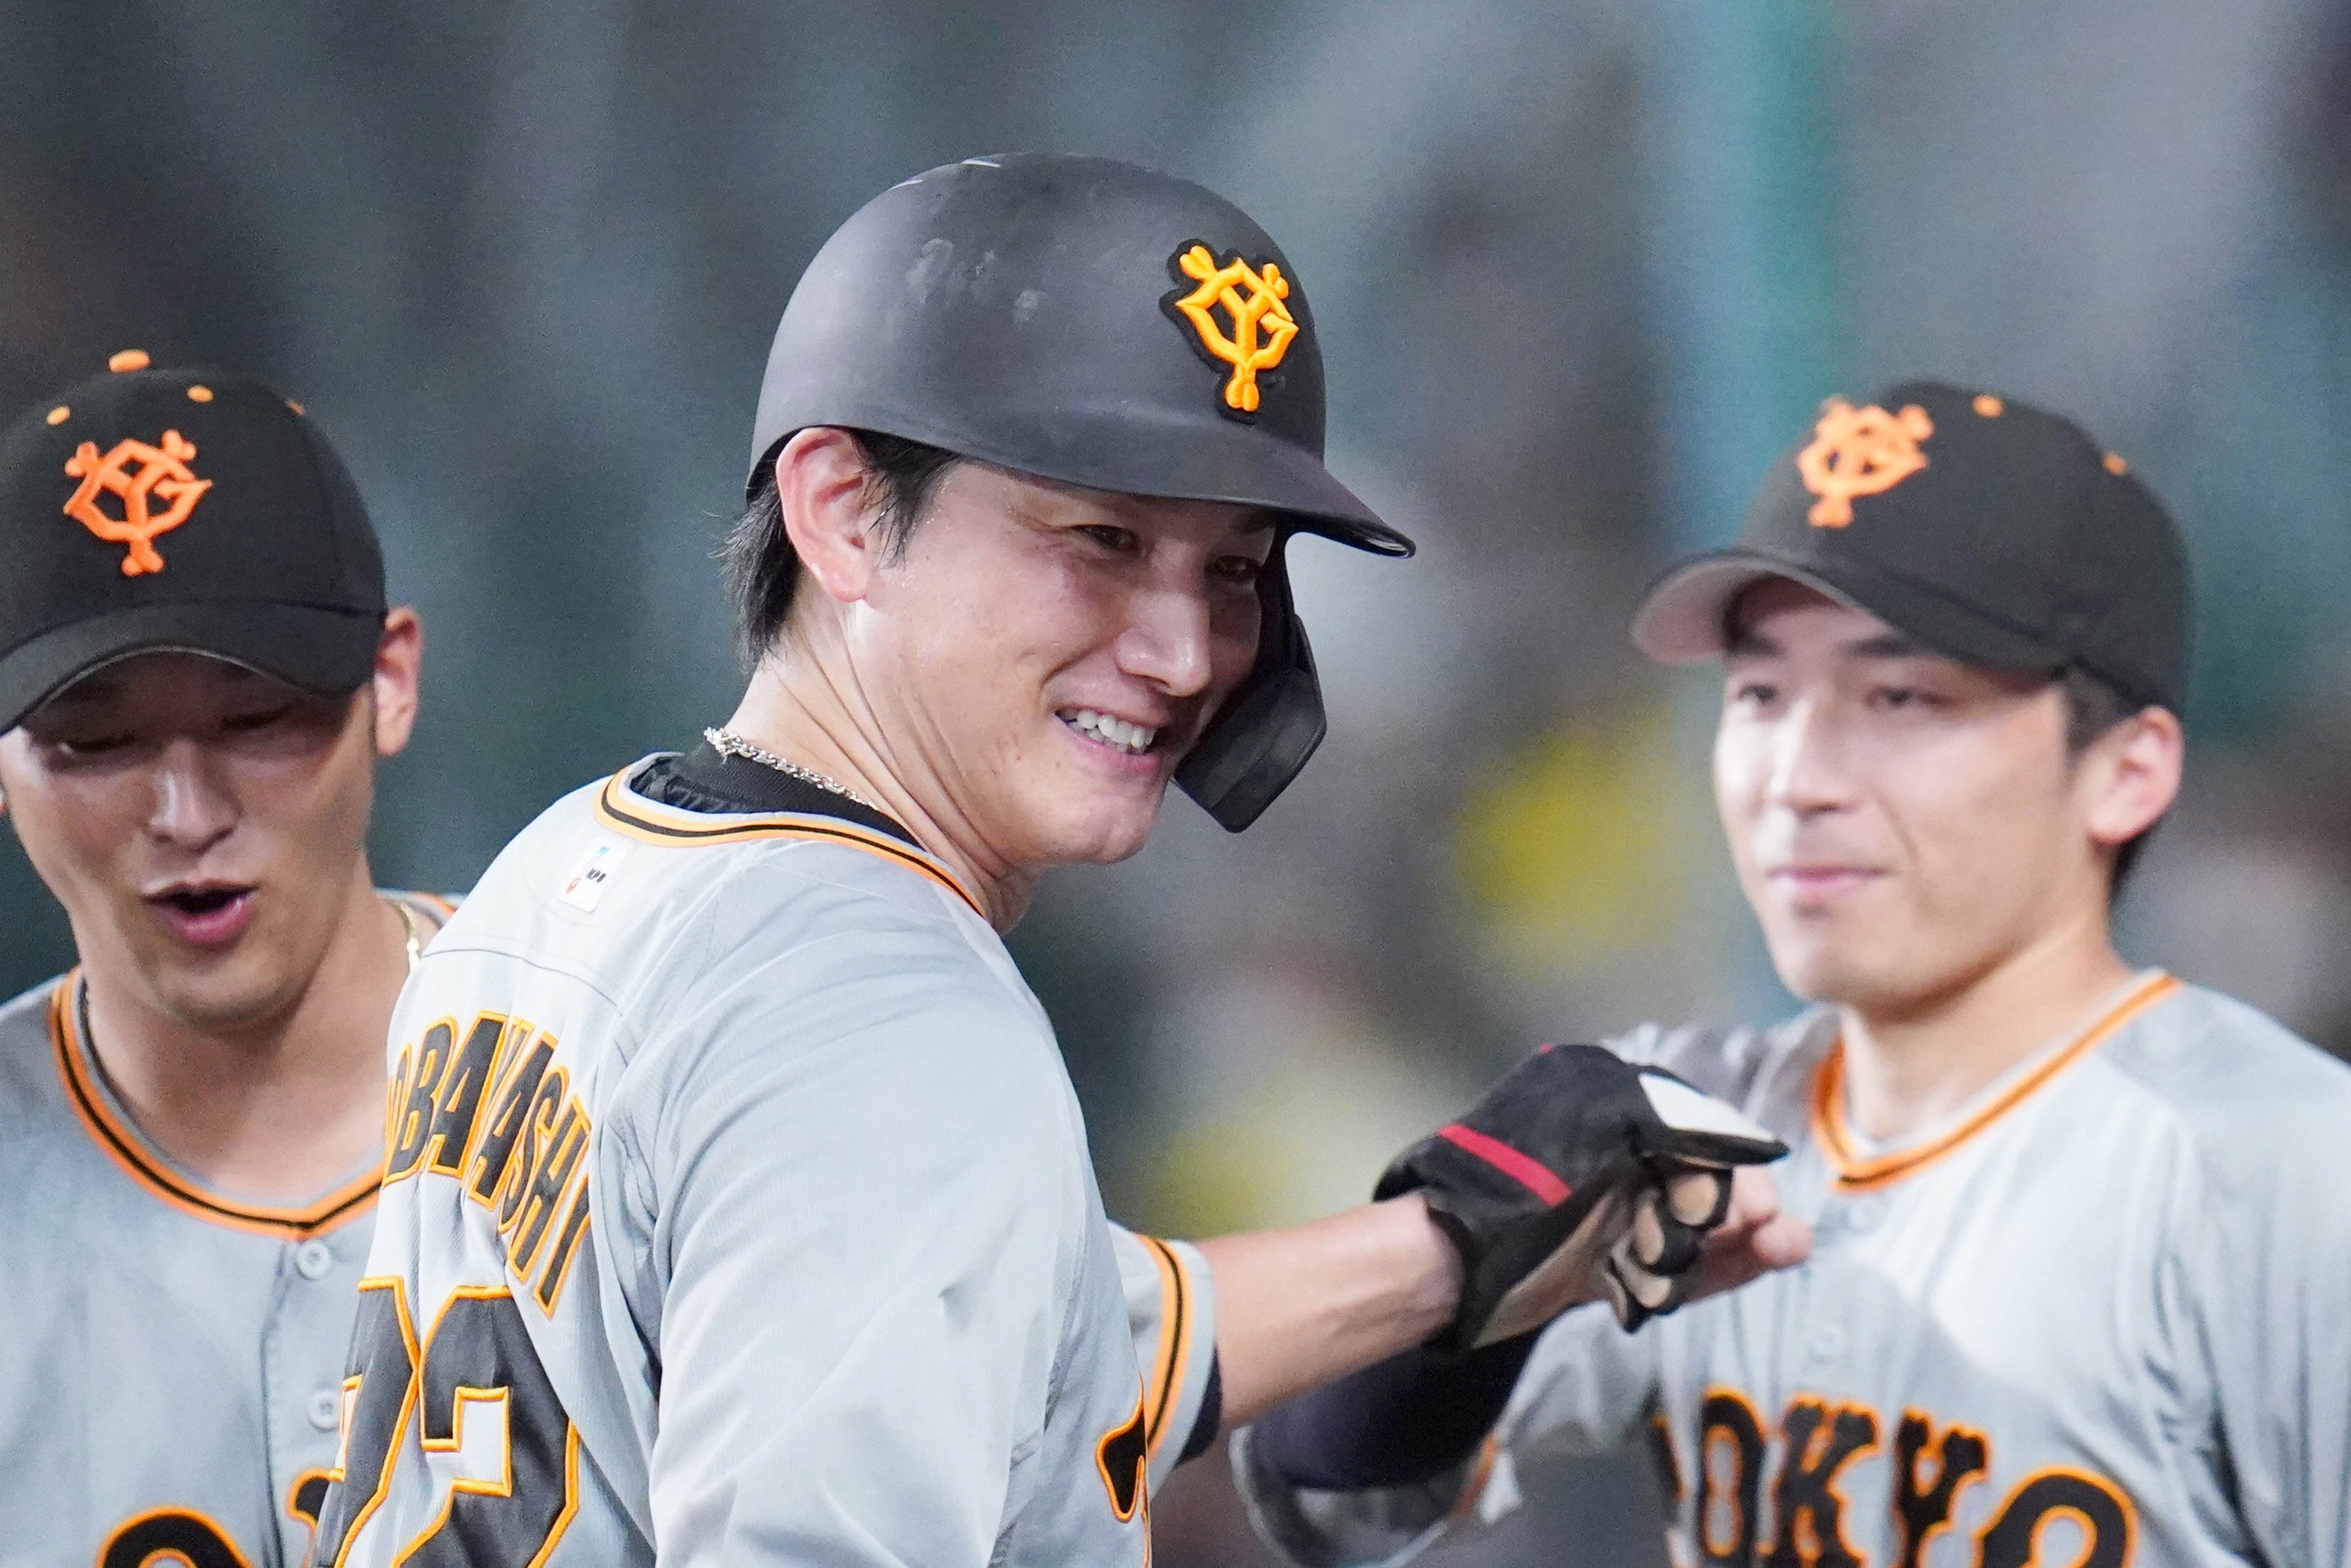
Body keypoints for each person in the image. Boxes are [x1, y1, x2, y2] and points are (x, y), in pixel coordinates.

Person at [308, 153, 1790, 1567]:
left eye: (1229, 566)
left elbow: (1012, 1340)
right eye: (1100, 539)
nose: (1185, 650)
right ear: (842, 510)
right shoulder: (891, 1017)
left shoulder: (568, 873)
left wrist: (1445, 1246)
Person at [1237, 382, 2351, 1568]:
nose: (1796, 776)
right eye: (1759, 693)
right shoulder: (1687, 1122)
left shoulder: (2289, 1178)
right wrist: (1466, 1271)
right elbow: (1329, 1506)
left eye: (1898, 697)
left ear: (2124, 771)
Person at [0, 351, 439, 1566]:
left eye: (258, 719)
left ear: (389, 681)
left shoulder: (624, 1073)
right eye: (95, 742)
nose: (186, 812)